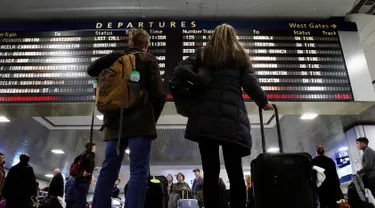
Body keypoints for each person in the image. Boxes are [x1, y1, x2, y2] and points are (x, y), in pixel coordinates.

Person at [175, 23, 272, 208]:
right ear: (233, 37)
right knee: (235, 171)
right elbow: (250, 83)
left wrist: (198, 78)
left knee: (210, 172)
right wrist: (264, 102)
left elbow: (181, 68)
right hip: (232, 120)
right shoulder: (240, 56)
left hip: (205, 119)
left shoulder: (203, 54)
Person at [89, 28, 166, 208]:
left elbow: (91, 70)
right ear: (146, 45)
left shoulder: (116, 59)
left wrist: (114, 56)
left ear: (129, 42)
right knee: (138, 170)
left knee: (108, 169)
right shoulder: (148, 60)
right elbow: (159, 94)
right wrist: (152, 120)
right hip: (140, 124)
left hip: (114, 124)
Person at [73, 142, 96, 208]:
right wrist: (89, 172)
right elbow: (89, 162)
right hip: (84, 180)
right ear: (91, 147)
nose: (95, 149)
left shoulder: (82, 154)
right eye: (95, 147)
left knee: (81, 201)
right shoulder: (90, 153)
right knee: (80, 202)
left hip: (78, 180)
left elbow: (76, 163)